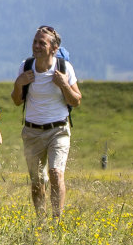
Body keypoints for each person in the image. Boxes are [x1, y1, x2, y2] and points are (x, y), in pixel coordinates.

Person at [11, 25, 81, 219]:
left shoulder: (64, 68)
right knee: (37, 181)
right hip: (32, 131)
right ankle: (41, 222)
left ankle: (57, 221)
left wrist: (64, 85)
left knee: (56, 174)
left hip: (58, 130)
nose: (36, 46)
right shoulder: (25, 67)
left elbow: (76, 100)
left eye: (42, 43)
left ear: (54, 48)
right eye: (35, 41)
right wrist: (19, 83)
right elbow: (17, 101)